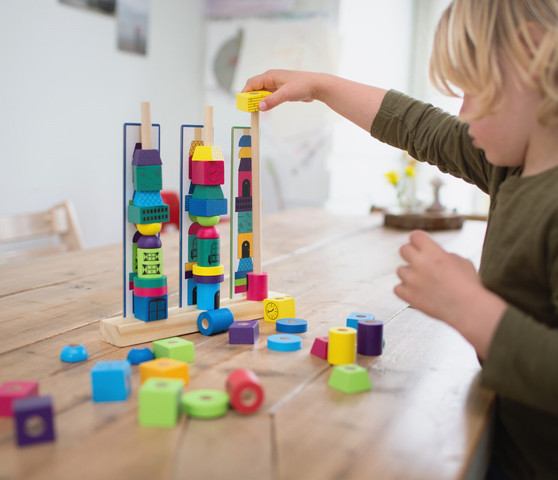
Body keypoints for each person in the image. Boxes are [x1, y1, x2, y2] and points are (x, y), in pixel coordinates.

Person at [242, 1, 558, 479]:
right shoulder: (511, 163)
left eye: (473, 90)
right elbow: (420, 125)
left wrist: (470, 307)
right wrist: (320, 87)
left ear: (533, 55)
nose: (463, 112)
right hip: (503, 439)